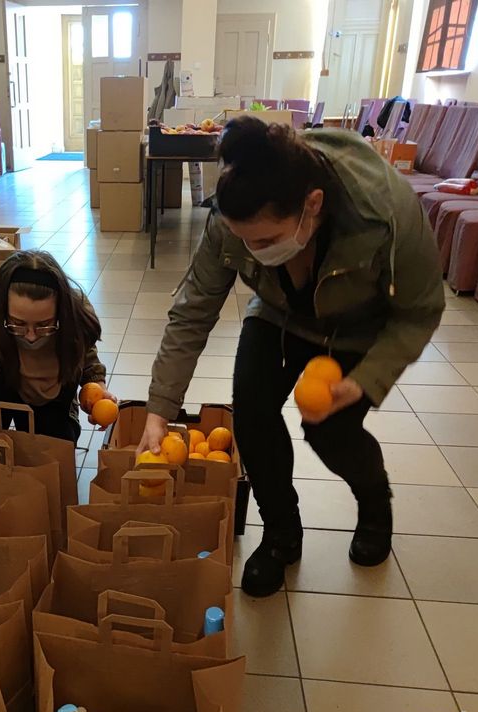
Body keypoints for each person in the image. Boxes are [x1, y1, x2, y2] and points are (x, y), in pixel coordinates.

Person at [137, 118, 444, 597]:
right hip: (279, 314)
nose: (254, 253)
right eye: (244, 242)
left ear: (312, 205)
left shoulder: (384, 212)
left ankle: (374, 501)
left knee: (330, 432)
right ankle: (281, 534)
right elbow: (192, 311)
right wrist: (159, 411)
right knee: (253, 414)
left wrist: (365, 380)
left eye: (264, 241)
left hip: (358, 328)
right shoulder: (232, 219)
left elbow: (420, 311)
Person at [0, 250, 114, 456]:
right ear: (2, 311)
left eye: (44, 325)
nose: (31, 337)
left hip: (53, 390)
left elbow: (84, 350)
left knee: (56, 447)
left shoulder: (75, 311)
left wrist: (96, 382)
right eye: (17, 324)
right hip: (0, 382)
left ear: (61, 313)